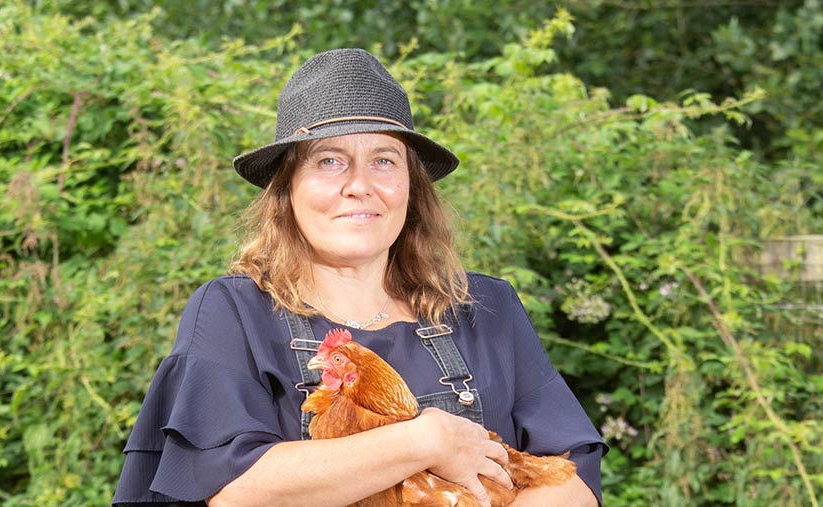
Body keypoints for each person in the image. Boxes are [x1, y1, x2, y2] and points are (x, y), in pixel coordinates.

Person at [112, 48, 607, 507]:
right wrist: (424, 441)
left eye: (384, 161)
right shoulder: (234, 313)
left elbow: (573, 477)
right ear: (287, 189)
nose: (359, 186)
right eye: (329, 161)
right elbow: (233, 488)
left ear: (411, 187)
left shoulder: (486, 307)